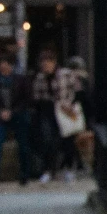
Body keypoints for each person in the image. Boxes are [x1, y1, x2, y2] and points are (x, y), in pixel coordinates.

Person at [0, 48, 33, 185]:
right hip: (2, 115)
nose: (3, 66)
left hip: (18, 115)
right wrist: (0, 110)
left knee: (22, 145)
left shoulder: (20, 79)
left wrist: (14, 111)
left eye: (5, 63)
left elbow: (26, 98)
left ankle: (24, 173)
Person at [25, 49, 64, 182]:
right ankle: (48, 168)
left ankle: (60, 168)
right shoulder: (39, 78)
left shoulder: (63, 75)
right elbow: (36, 97)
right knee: (47, 138)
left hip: (62, 109)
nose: (46, 66)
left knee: (61, 139)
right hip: (46, 109)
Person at [57, 56, 95, 174]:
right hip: (72, 110)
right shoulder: (69, 77)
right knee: (71, 138)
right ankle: (73, 164)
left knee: (76, 139)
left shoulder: (81, 79)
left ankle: (77, 164)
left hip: (79, 111)